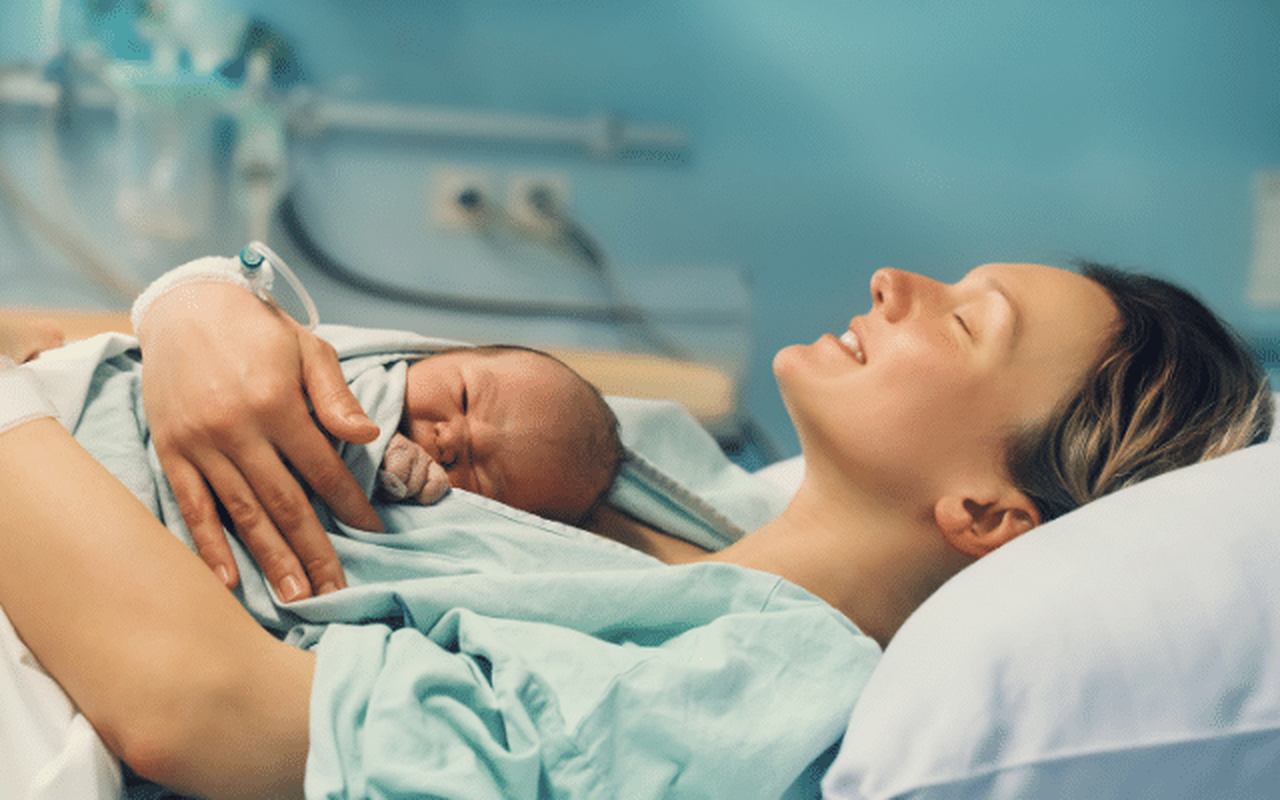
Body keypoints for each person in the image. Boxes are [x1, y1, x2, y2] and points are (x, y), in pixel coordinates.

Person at [0, 260, 1270, 798]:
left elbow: (196, 706)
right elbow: (302, 372)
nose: (897, 282)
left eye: (961, 321)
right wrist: (193, 305)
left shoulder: (759, 689)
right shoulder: (665, 471)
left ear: (987, 513)